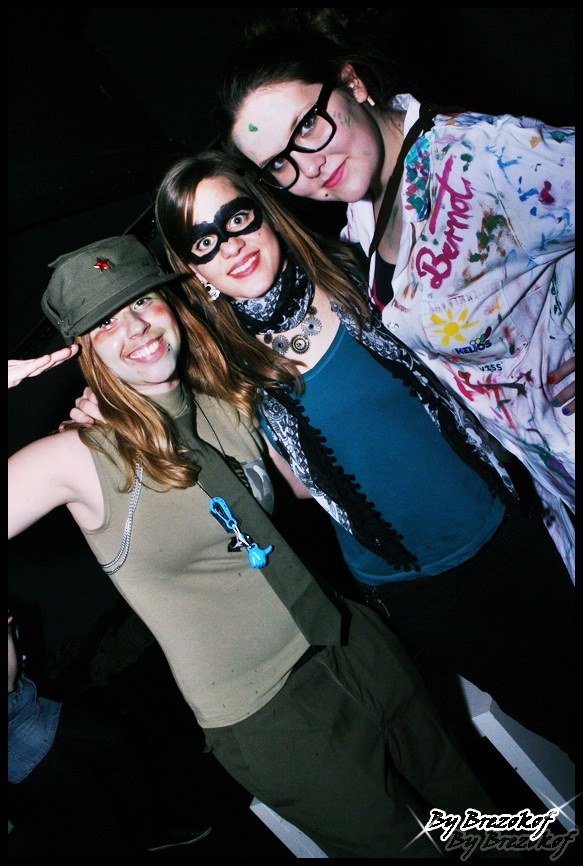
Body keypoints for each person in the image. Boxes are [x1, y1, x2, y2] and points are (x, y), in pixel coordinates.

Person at [8, 234, 507, 859]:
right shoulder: (78, 458)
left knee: (475, 816)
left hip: (351, 641)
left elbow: (308, 480)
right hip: (269, 715)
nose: (134, 328)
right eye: (104, 323)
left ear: (171, 303)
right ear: (81, 349)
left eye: (141, 302)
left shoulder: (223, 397)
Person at [151, 150, 574, 759]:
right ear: (194, 271)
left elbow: (495, 314)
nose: (231, 245)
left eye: (237, 218)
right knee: (550, 710)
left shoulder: (360, 273)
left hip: (506, 524)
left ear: (264, 212)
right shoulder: (224, 373)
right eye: (204, 242)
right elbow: (292, 486)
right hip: (416, 587)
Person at [216, 7, 575, 582]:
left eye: (306, 127)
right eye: (280, 163)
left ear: (352, 83)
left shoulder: (478, 158)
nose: (310, 167)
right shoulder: (362, 219)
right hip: (550, 484)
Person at [8, 608, 212, 857]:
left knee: (112, 742)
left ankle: (153, 832)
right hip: (12, 731)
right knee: (89, 797)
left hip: (28, 703)